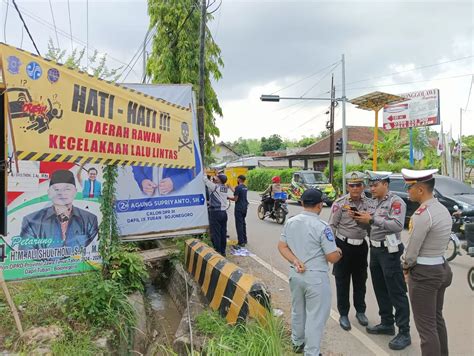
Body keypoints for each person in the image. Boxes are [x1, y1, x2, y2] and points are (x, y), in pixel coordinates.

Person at [278, 189, 342, 355]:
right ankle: (312, 352)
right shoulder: (322, 227)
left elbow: (282, 246)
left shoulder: (291, 222)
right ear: (320, 205)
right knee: (316, 316)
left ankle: (297, 342)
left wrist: (295, 260)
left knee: (298, 310)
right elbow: (332, 257)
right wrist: (339, 252)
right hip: (315, 278)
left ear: (302, 203)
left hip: (295, 274)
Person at [353, 171, 411, 350]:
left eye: (375, 185)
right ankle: (387, 322)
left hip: (390, 251)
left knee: (396, 291)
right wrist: (358, 218)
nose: (372, 188)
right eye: (370, 185)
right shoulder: (373, 203)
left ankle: (404, 331)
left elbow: (397, 225)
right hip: (376, 250)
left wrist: (372, 219)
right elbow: (369, 224)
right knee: (380, 288)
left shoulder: (396, 202)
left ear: (385, 184)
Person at [401, 168, 453, 356]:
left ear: (420, 190)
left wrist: (405, 267)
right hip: (441, 267)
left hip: (425, 274)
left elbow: (412, 251)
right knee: (436, 320)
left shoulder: (422, 215)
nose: (408, 192)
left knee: (426, 328)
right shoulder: (442, 209)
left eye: (409, 188)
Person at [328, 171, 374, 331]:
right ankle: (343, 314)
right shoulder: (340, 203)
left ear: (363, 186)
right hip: (343, 246)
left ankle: (360, 311)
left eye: (358, 185)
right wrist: (333, 247)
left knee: (361, 280)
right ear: (347, 186)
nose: (355, 188)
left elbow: (372, 226)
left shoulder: (370, 203)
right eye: (352, 185)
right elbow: (332, 226)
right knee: (342, 281)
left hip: (361, 246)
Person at [20, 170, 98, 249]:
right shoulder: (31, 221)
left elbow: (92, 247)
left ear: (75, 192)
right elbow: (25, 253)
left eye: (67, 189)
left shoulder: (90, 219)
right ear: (49, 193)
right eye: (56, 189)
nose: (61, 193)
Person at [132, 145, 201, 196]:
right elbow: (135, 162)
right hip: (146, 197)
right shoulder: (143, 129)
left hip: (176, 196)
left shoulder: (180, 129)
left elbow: (196, 167)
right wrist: (142, 180)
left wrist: (174, 182)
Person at [203, 174, 230, 256]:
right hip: (223, 213)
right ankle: (223, 251)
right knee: (223, 232)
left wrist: (204, 172)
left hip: (215, 213)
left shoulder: (215, 187)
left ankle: (217, 251)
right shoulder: (224, 188)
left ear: (219, 180)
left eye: (217, 177)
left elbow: (205, 180)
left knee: (216, 233)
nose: (215, 178)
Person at [228, 175, 249, 247]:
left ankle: (241, 242)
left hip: (239, 208)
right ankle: (245, 239)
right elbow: (237, 192)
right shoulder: (245, 187)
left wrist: (228, 197)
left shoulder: (238, 187)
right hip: (245, 207)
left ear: (239, 179)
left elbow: (235, 199)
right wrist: (230, 187)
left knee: (239, 225)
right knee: (243, 223)